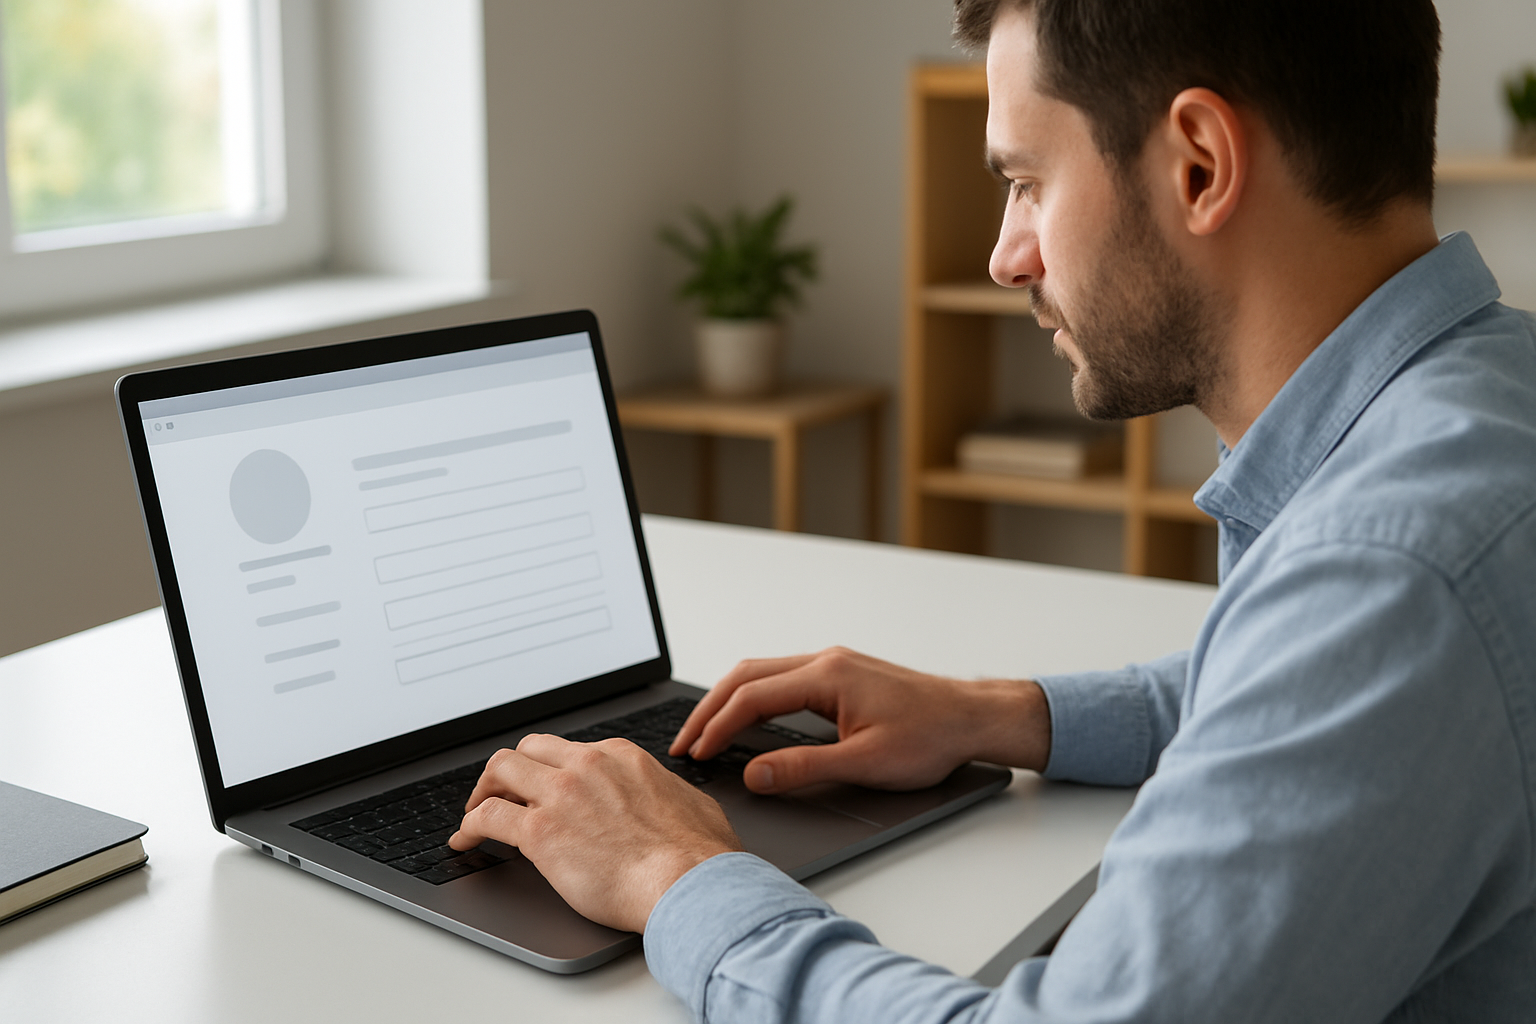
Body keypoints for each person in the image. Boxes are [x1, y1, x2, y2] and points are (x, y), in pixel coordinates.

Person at [449, 0, 1536, 1019]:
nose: (1005, 254)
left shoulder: (1394, 573)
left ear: (1199, 165)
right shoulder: (1485, 395)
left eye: (1026, 181)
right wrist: (996, 715)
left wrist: (676, 874)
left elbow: (1349, 645)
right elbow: (1294, 685)